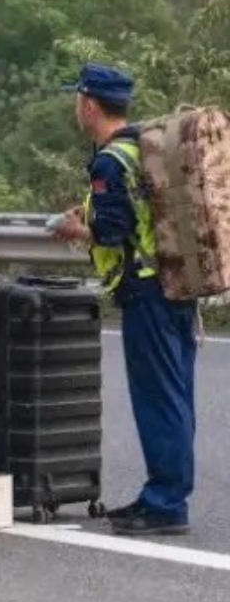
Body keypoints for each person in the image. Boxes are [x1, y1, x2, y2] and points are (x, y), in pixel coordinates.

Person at [51, 62, 198, 536]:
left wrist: (78, 230)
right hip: (177, 284)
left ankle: (164, 503)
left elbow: (113, 230)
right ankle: (168, 493)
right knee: (176, 396)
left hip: (147, 292)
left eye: (78, 99)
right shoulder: (143, 148)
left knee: (158, 399)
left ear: (89, 104)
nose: (77, 106)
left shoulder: (111, 161)